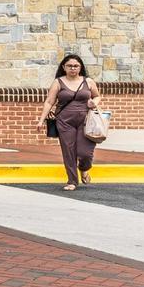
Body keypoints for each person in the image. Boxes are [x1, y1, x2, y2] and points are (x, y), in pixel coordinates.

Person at [38, 52, 101, 190]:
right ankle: (72, 181)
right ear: (64, 67)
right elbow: (49, 102)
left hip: (86, 121)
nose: (73, 68)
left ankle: (84, 168)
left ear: (80, 67)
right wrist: (41, 120)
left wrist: (93, 102)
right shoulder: (58, 82)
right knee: (69, 151)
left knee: (85, 152)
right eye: (70, 66)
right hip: (64, 121)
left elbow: (97, 96)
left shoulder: (88, 81)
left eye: (76, 66)